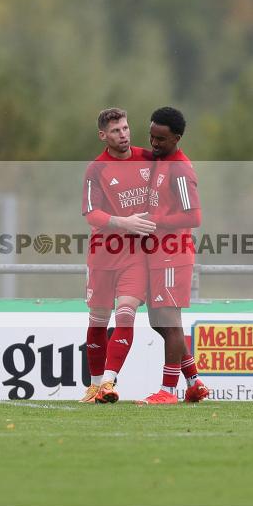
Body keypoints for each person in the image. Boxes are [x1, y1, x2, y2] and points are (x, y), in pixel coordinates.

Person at [79, 107, 155, 403]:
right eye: (115, 131)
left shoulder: (148, 159)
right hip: (103, 254)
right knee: (98, 319)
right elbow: (91, 214)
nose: (123, 134)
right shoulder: (95, 169)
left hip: (135, 255)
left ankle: (109, 383)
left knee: (126, 313)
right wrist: (125, 222)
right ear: (103, 136)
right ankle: (95, 385)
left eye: (125, 128)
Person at [138, 107, 210, 405]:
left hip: (173, 254)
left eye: (161, 139)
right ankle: (194, 382)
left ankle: (167, 391)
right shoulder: (161, 160)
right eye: (151, 136)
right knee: (159, 321)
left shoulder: (180, 169)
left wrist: (155, 223)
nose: (154, 143)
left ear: (177, 138)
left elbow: (194, 217)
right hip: (158, 254)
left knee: (170, 319)